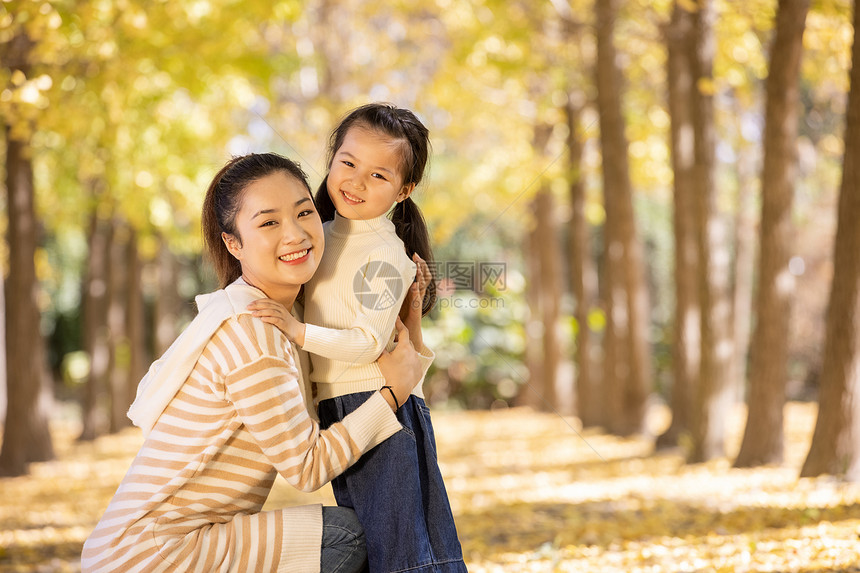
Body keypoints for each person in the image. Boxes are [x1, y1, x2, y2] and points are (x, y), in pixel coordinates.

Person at [81, 152, 433, 573]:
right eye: (269, 223)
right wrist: (391, 395)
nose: (296, 234)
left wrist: (407, 323)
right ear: (234, 243)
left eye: (304, 212)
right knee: (344, 535)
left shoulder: (279, 316)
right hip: (150, 555)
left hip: (153, 546)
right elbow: (307, 466)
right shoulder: (254, 332)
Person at [248, 103, 467, 573]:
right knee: (374, 543)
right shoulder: (315, 235)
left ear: (404, 191)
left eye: (378, 176)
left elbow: (369, 342)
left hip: (380, 406)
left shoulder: (388, 254)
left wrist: (296, 330)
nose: (356, 182)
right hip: (341, 408)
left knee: (403, 551)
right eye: (347, 163)